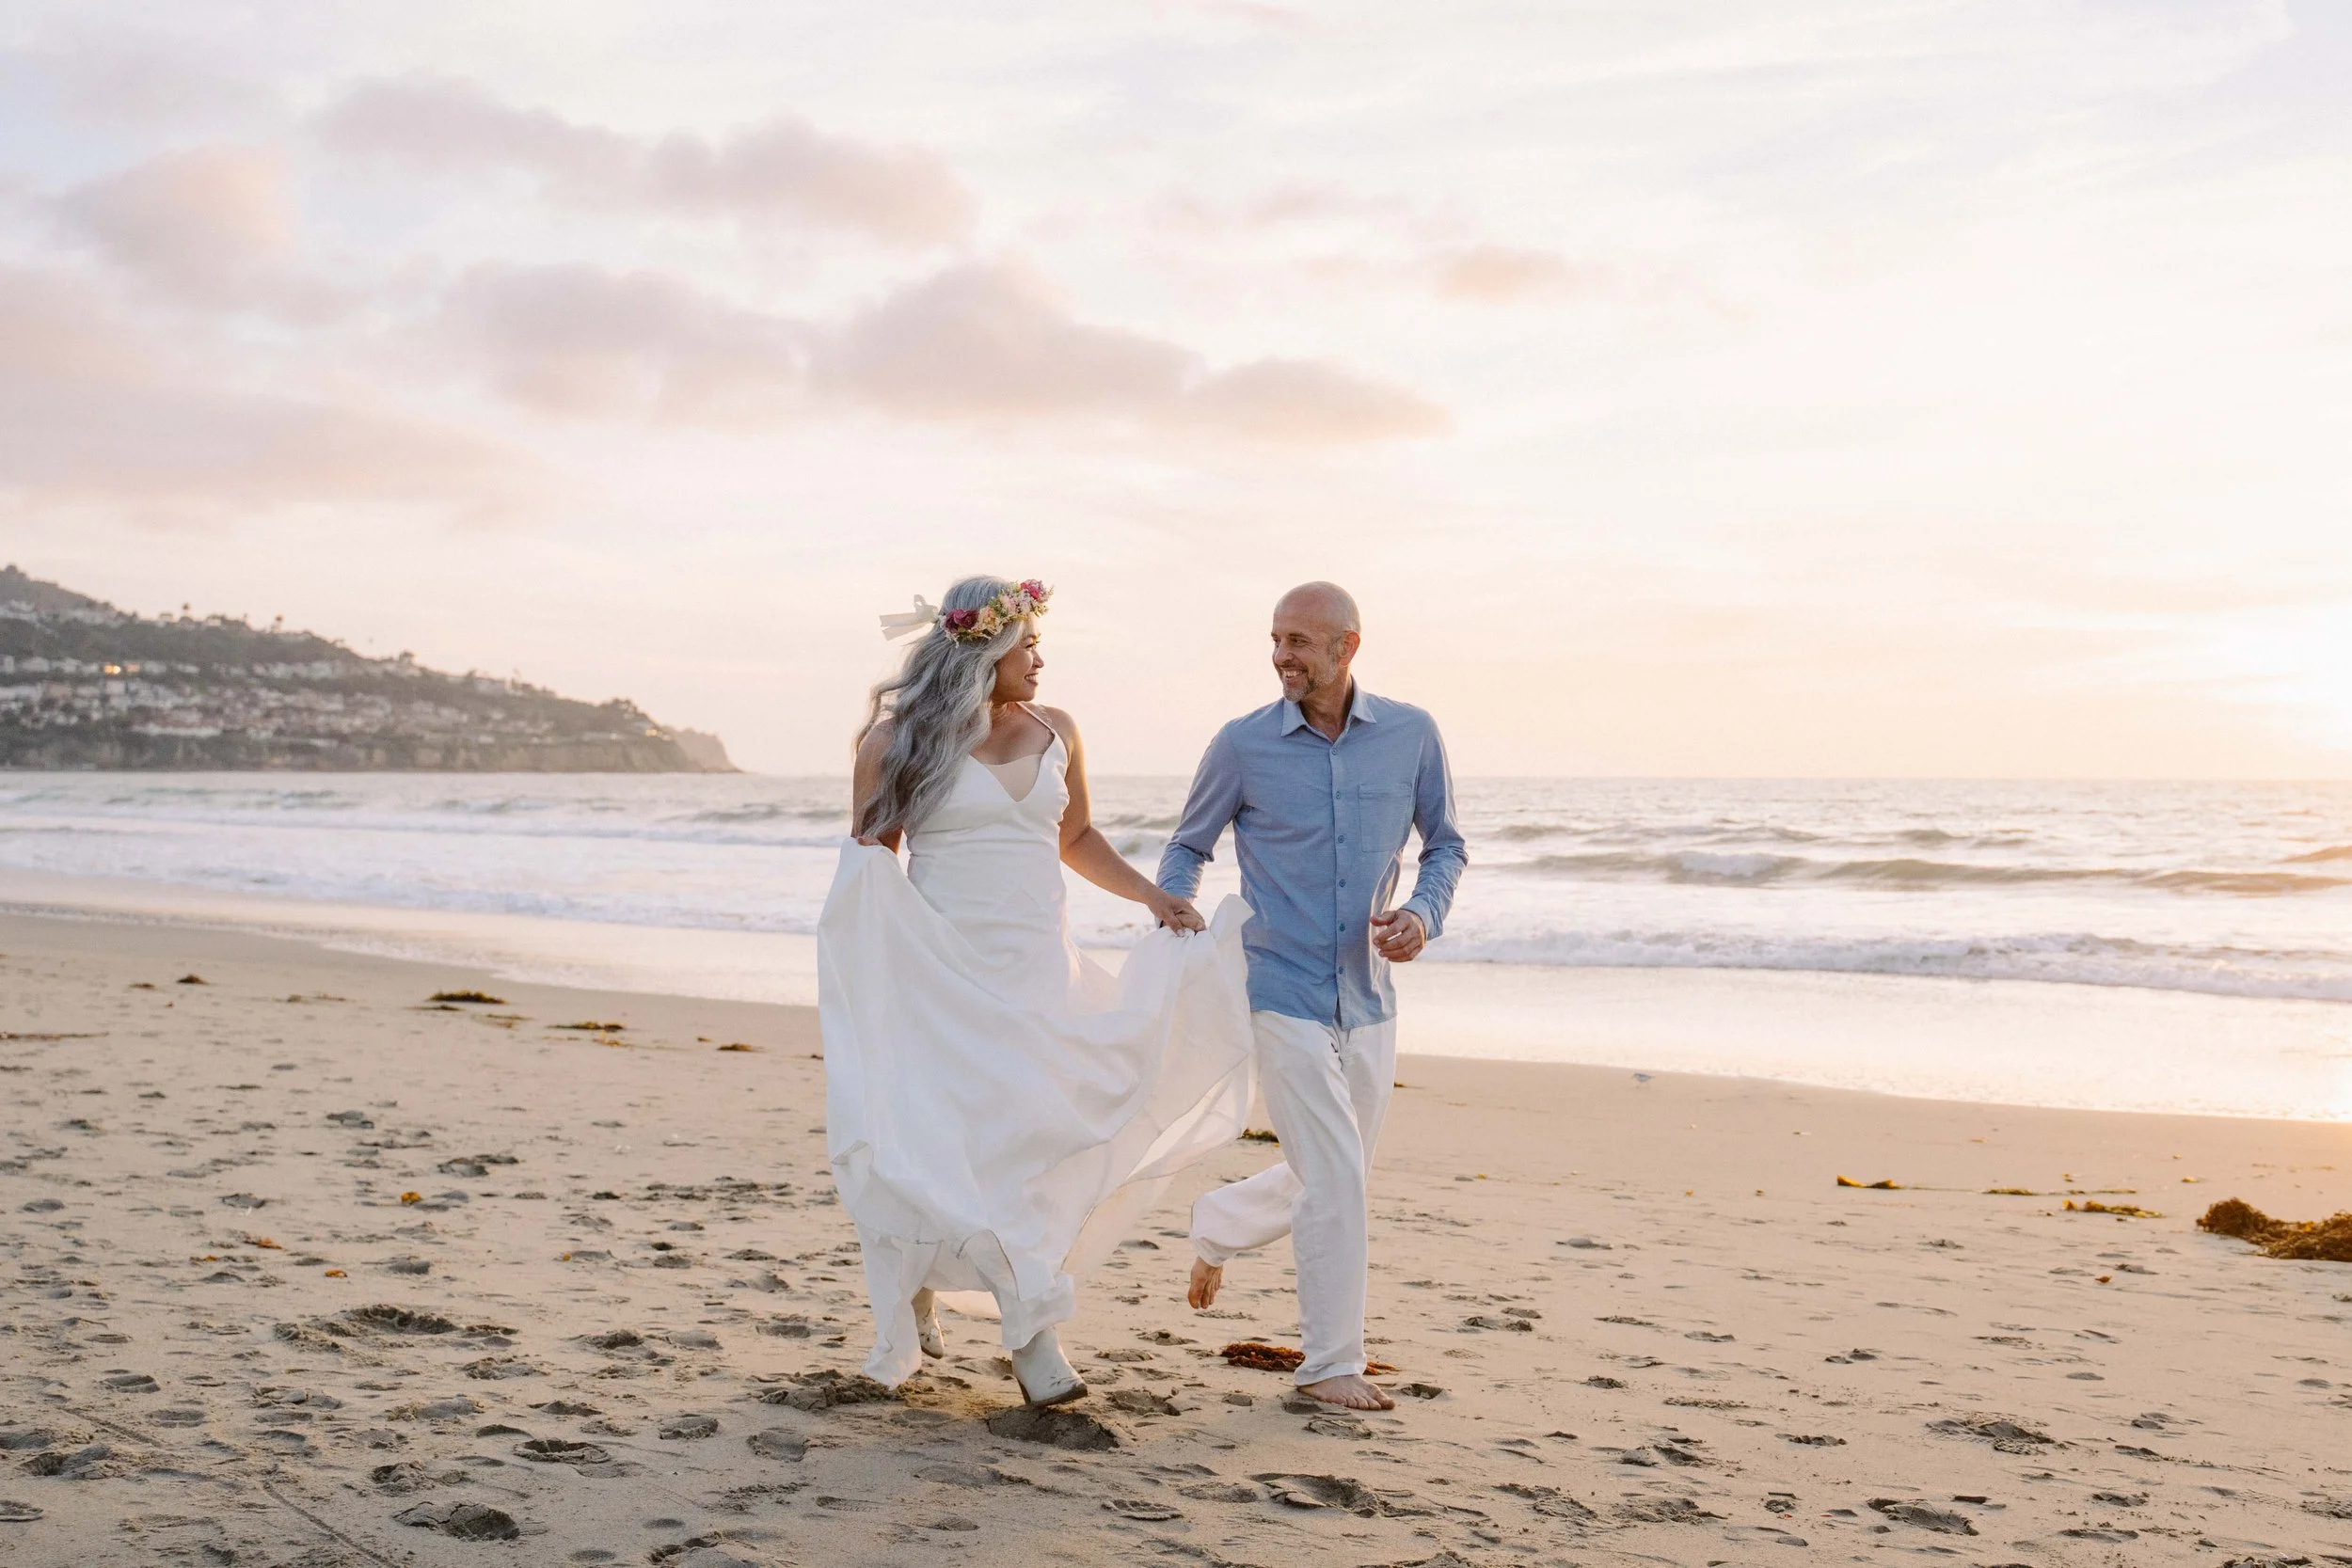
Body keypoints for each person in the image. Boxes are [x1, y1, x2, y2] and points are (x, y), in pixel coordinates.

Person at [818, 576, 1255, 1406]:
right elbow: (870, 868)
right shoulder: (897, 742)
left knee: (1029, 1136)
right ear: (983, 648)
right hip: (944, 973)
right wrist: (878, 985)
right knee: (951, 1139)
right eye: (1028, 646)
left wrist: (1153, 898)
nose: (1040, 659)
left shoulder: (1058, 730)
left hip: (1038, 970)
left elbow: (1078, 837)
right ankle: (1030, 1335)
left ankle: (978, 1291)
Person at [1158, 581, 1466, 1411]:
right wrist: (1173, 908)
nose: (1281, 656)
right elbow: (1187, 845)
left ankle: (1219, 1222)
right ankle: (1331, 1363)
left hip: (1370, 994)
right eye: (1275, 638)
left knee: (1334, 1170)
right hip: (1278, 985)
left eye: (1298, 640)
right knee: (1334, 1173)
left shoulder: (1411, 734)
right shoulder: (1242, 743)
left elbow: (1446, 846)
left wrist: (1423, 915)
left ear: (1347, 648)